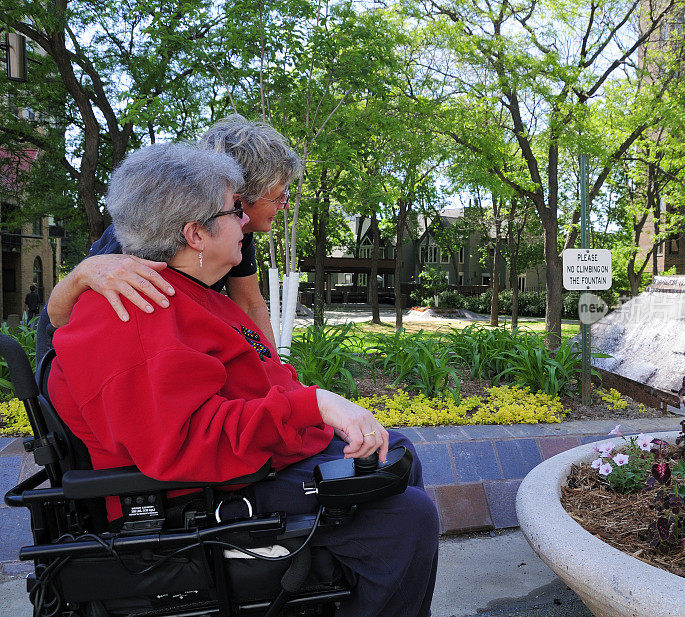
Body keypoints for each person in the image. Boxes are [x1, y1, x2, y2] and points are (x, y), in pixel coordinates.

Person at [47, 143, 438, 617]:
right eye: (235, 209)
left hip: (248, 462)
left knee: (395, 453)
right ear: (195, 233)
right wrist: (312, 406)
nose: (246, 220)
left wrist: (315, 406)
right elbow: (186, 443)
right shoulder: (138, 313)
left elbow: (255, 375)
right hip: (198, 494)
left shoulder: (192, 292)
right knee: (407, 520)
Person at [37, 115, 295, 361]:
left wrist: (277, 374)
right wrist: (83, 273)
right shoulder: (147, 235)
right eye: (278, 197)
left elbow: (250, 304)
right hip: (76, 357)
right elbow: (66, 319)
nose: (283, 206)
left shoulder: (235, 234)